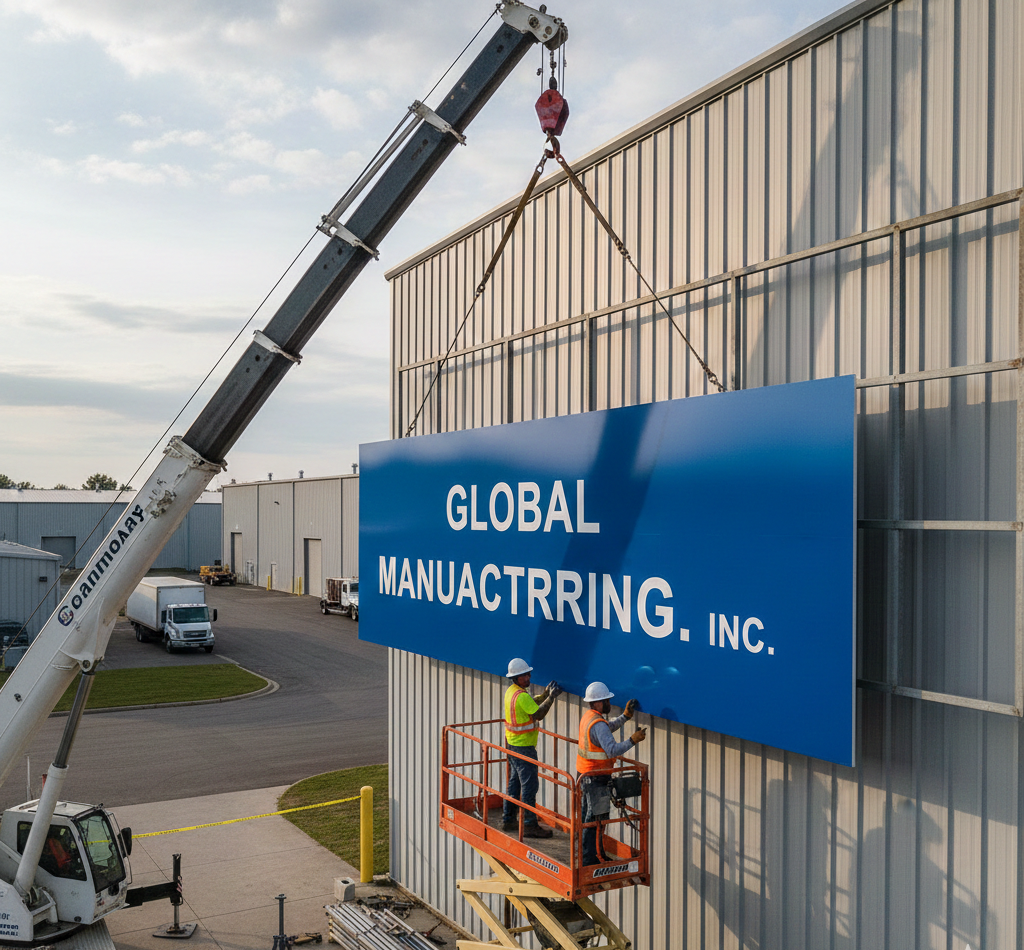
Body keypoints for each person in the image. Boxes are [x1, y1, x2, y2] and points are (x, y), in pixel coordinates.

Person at [576, 681, 645, 865]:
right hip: (595, 778)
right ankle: (589, 860)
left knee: (587, 819)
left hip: (584, 775)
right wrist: (633, 740)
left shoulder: (590, 717)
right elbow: (612, 749)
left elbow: (605, 730)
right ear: (598, 702)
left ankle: (586, 855)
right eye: (606, 700)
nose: (609, 703)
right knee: (595, 821)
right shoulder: (598, 724)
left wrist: (624, 717)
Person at [503, 657, 561, 838]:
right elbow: (538, 714)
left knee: (515, 783)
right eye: (524, 676)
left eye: (528, 674)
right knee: (529, 786)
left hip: (512, 744)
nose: (528, 677)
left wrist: (543, 696)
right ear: (516, 678)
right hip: (523, 747)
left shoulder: (512, 692)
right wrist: (551, 698)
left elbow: (529, 703)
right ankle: (529, 824)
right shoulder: (521, 696)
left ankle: (509, 819)